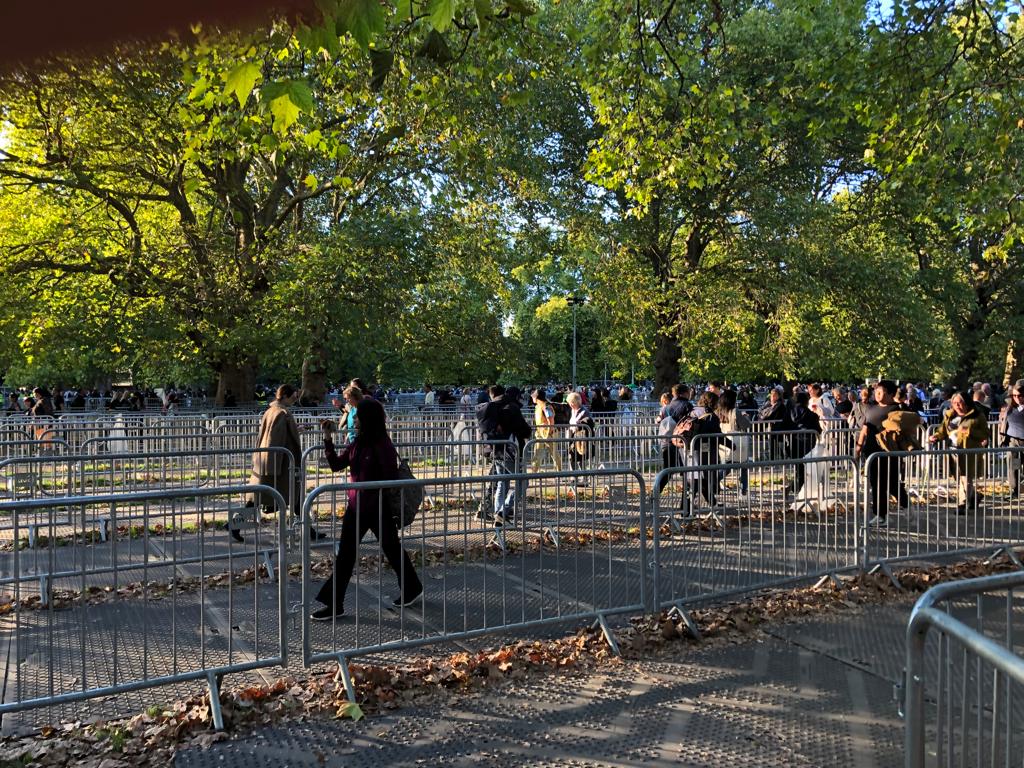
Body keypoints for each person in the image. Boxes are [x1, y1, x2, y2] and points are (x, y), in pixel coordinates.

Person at [311, 398, 422, 620]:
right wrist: (327, 439)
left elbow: (390, 478)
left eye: (358, 415)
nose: (355, 419)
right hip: (356, 508)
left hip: (378, 508)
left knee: (391, 549)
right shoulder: (358, 443)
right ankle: (334, 603)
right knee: (346, 555)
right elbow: (336, 465)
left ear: (367, 418)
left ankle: (411, 588)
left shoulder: (383, 445)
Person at [241, 384, 307, 542]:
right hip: (279, 465)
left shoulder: (272, 411)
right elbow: (274, 439)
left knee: (293, 499)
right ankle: (232, 525)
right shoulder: (282, 413)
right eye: (293, 396)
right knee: (259, 500)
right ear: (284, 395)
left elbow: (275, 435)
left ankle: (309, 530)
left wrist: (295, 430)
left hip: (274, 463)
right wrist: (272, 467)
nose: (294, 399)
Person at [856, 380, 910, 527]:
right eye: (876, 391)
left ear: (891, 394)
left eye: (881, 392)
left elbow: (907, 427)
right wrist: (858, 448)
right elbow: (865, 429)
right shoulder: (871, 408)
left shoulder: (897, 409)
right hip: (871, 452)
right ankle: (880, 515)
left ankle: (906, 505)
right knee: (876, 484)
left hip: (889, 452)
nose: (877, 394)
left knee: (892, 483)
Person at [476, 385, 532, 524]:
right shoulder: (511, 408)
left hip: (495, 450)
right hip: (510, 451)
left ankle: (499, 514)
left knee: (502, 482)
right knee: (523, 482)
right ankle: (503, 511)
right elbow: (524, 429)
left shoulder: (494, 408)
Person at [929, 391, 989, 514]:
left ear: (966, 403)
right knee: (959, 479)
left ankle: (962, 505)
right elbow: (942, 430)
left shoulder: (977, 416)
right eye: (954, 403)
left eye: (959, 402)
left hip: (969, 452)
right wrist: (936, 436)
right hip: (952, 451)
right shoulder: (949, 415)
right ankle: (975, 496)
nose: (957, 405)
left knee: (965, 478)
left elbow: (985, 434)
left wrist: (969, 431)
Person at [716, 389, 751, 500]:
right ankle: (743, 492)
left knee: (726, 467)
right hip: (738, 442)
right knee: (743, 467)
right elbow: (746, 425)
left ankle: (712, 483)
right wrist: (746, 416)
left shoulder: (718, 411)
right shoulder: (735, 411)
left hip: (724, 442)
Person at [1000, 383, 1024, 498]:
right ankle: (1015, 491)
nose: (1017, 398)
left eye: (1019, 395)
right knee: (1014, 466)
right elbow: (1005, 422)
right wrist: (1003, 439)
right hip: (1014, 441)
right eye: (1014, 396)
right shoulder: (1010, 405)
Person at [566, 391, 595, 486]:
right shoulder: (573, 411)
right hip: (573, 438)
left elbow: (589, 423)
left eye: (570, 402)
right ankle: (574, 478)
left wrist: (579, 425)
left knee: (581, 460)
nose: (569, 404)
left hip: (581, 439)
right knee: (572, 458)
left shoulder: (584, 411)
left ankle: (584, 479)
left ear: (575, 402)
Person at [530, 388, 562, 472]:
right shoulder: (538, 406)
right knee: (537, 453)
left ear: (537, 397)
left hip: (549, 433)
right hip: (540, 433)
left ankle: (559, 473)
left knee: (554, 453)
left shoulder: (546, 406)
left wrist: (549, 431)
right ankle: (534, 472)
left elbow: (551, 419)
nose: (532, 397)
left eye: (533, 395)